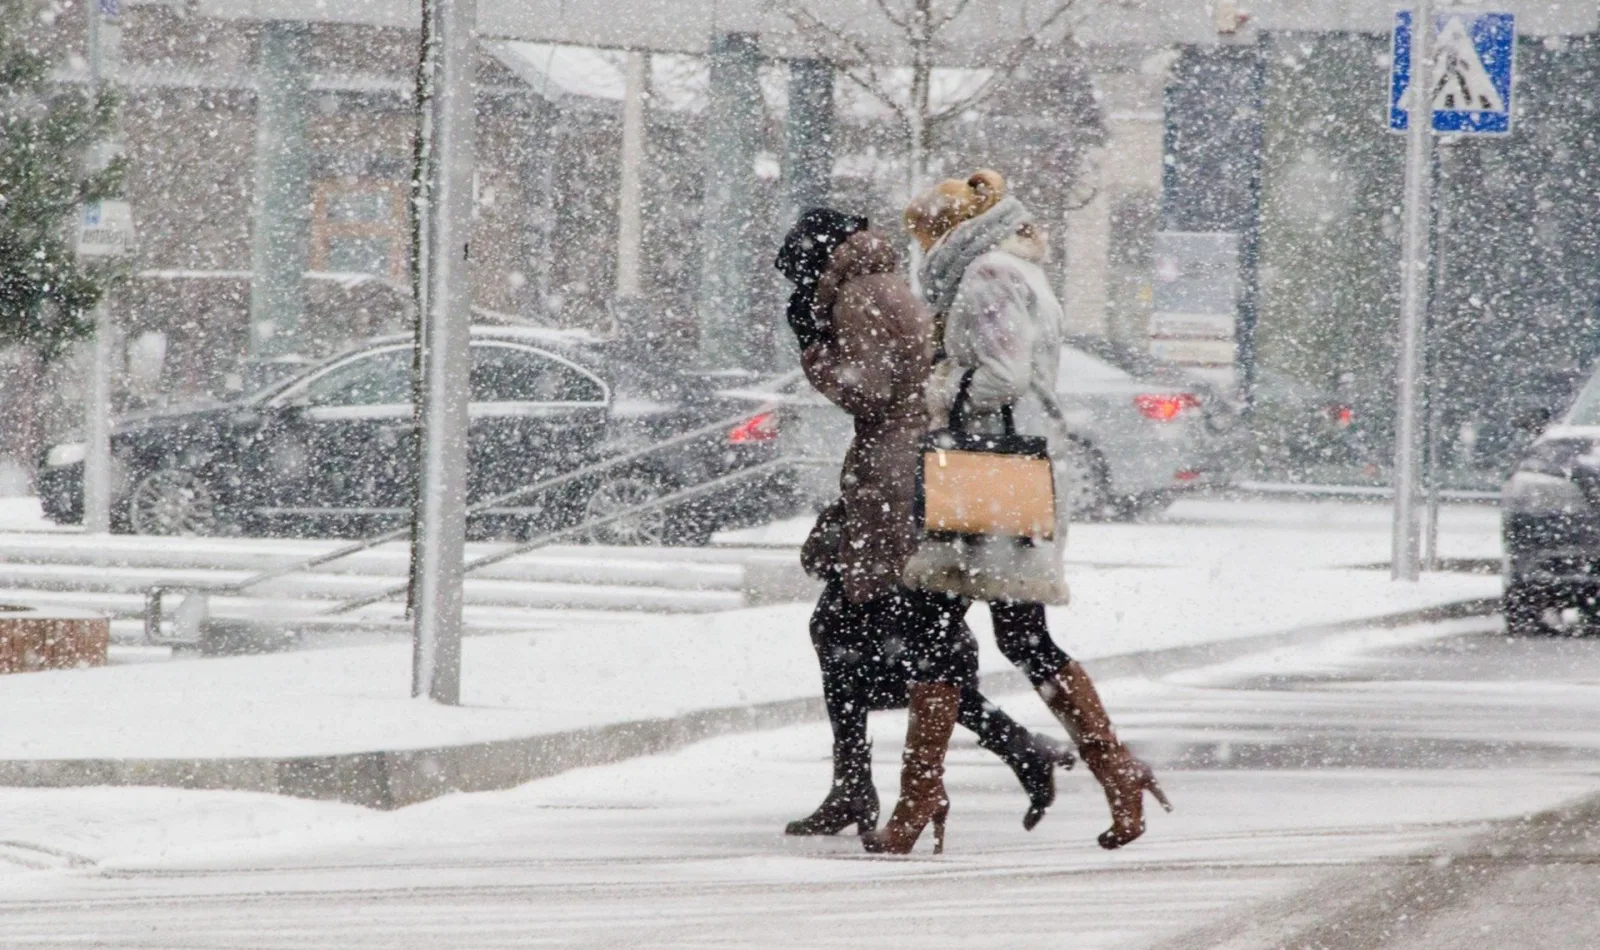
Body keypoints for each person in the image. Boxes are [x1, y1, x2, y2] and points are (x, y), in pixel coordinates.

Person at [776, 209, 1069, 854]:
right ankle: (874, 780)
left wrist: (815, 352)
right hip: (899, 473)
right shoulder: (879, 285)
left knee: (885, 642)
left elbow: (872, 389)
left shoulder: (858, 296)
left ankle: (981, 758)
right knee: (870, 637)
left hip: (895, 483)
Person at [903, 171, 1171, 850]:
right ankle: (1116, 770)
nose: (920, 249)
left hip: (988, 476)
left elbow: (1004, 377)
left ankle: (920, 794)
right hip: (1009, 476)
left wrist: (937, 389)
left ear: (947, 229)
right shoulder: (1011, 268)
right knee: (1015, 637)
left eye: (923, 234)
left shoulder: (986, 276)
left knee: (946, 635)